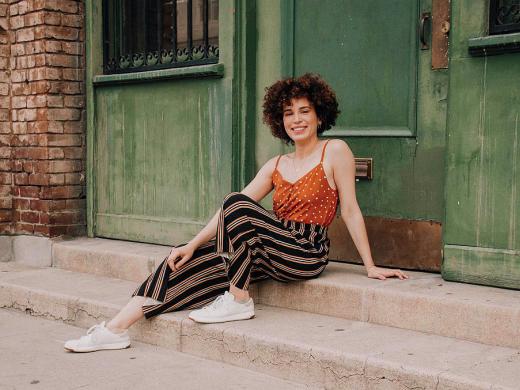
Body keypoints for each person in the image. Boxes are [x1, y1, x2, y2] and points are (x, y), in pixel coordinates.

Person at [64, 73, 408, 353]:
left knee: (235, 203)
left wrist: (370, 266)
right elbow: (233, 210)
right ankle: (114, 329)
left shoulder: (335, 151)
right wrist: (192, 244)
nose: (297, 119)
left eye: (304, 111)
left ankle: (239, 299)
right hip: (266, 249)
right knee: (185, 263)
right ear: (279, 120)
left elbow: (349, 209)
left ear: (319, 114)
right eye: (289, 113)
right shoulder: (276, 164)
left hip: (306, 250)